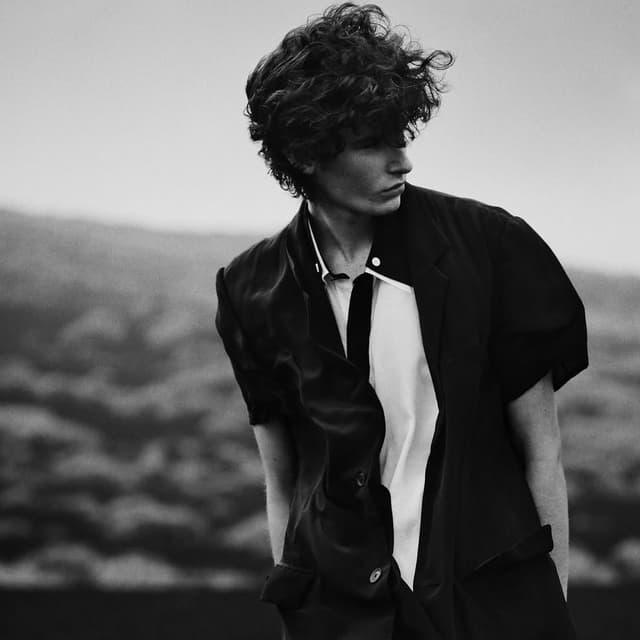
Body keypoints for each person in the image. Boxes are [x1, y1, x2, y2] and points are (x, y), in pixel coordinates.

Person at [215, 4, 588, 639]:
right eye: (372, 142)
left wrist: (548, 610)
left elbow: (543, 452)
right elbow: (284, 480)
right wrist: (300, 617)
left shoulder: (491, 246)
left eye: (402, 134)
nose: (403, 161)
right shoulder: (251, 287)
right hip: (339, 617)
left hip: (491, 607)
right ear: (304, 151)